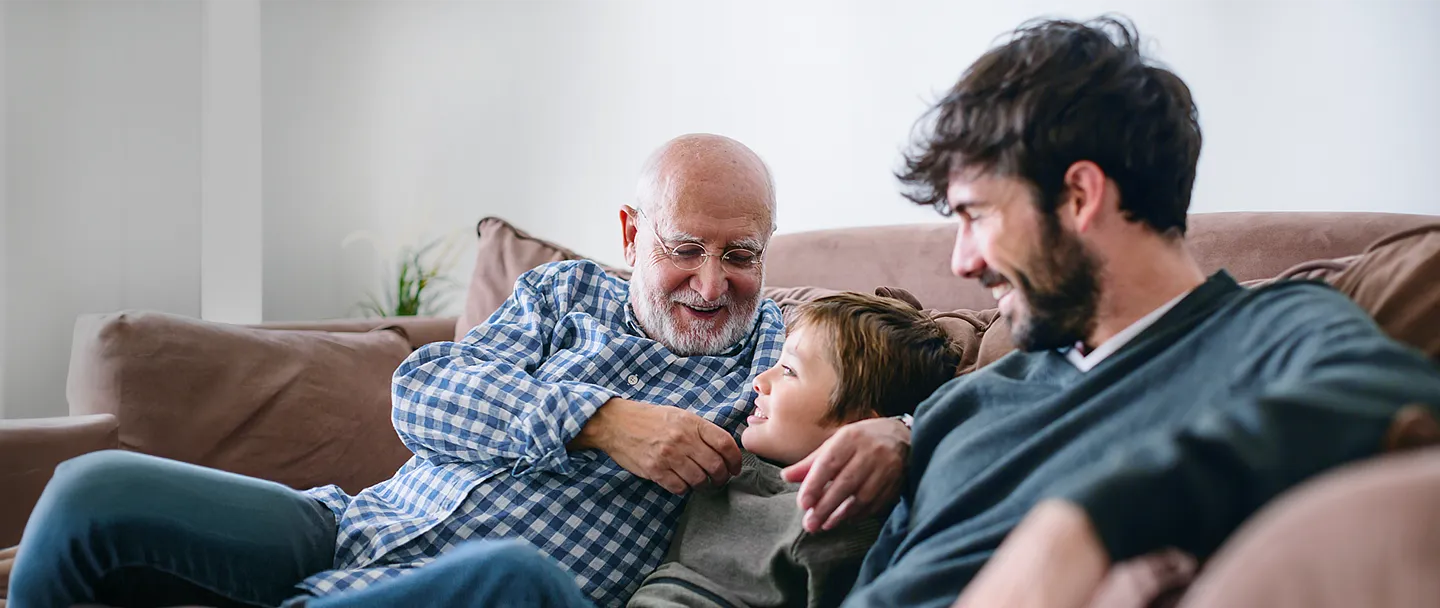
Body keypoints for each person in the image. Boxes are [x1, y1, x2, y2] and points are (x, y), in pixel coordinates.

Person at [7, 134, 905, 608]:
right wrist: (599, 420)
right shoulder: (561, 296)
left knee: (513, 575)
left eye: (741, 253)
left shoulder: (779, 357)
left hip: (490, 589)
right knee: (91, 491)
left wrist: (898, 430)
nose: (713, 285)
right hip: (350, 528)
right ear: (633, 235)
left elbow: (923, 394)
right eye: (684, 249)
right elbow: (423, 395)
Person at [834, 16, 1440, 608]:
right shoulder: (958, 406)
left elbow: (1397, 391)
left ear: (1080, 196)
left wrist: (1088, 520)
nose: (962, 263)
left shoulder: (1273, 330)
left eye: (976, 215)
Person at [629, 292, 960, 608]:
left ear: (860, 426)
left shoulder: (840, 520)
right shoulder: (732, 455)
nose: (759, 380)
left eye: (789, 371)